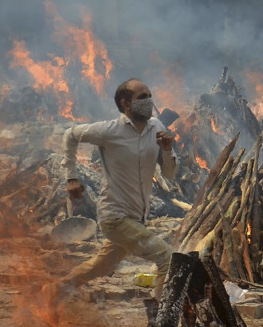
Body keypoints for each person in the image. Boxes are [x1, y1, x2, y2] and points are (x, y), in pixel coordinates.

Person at [51, 78, 178, 300]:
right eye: (142, 98)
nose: (148, 101)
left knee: (100, 266)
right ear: (126, 104)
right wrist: (71, 178)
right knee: (167, 258)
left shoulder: (156, 127)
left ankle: (54, 291)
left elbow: (169, 174)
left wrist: (167, 150)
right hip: (115, 218)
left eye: (149, 96)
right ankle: (161, 320)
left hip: (136, 217)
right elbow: (70, 135)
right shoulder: (109, 131)